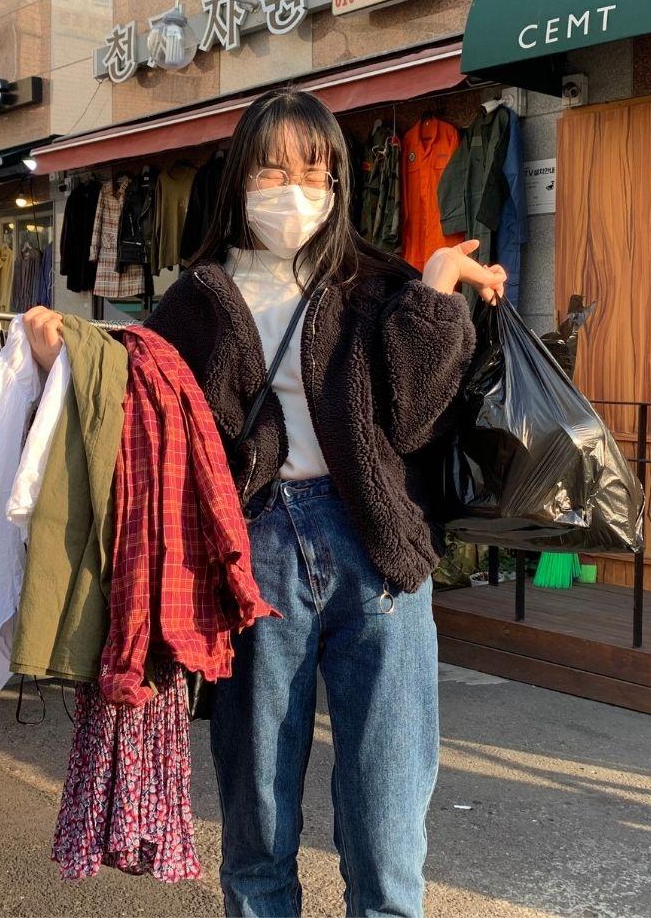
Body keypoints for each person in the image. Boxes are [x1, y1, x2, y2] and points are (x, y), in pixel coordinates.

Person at [25, 87, 505, 917]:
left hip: (378, 558)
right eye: (275, 166)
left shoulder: (372, 284)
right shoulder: (194, 301)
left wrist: (433, 284)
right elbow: (139, 414)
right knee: (257, 832)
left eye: (315, 170)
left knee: (388, 836)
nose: (295, 188)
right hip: (252, 561)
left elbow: (415, 415)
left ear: (340, 182)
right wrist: (61, 358)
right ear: (240, 175)